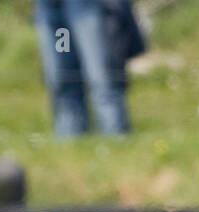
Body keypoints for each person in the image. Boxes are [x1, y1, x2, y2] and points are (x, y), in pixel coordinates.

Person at [33, 0, 146, 137]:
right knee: (64, 80)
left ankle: (116, 143)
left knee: (103, 82)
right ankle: (70, 147)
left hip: (88, 6)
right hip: (52, 6)